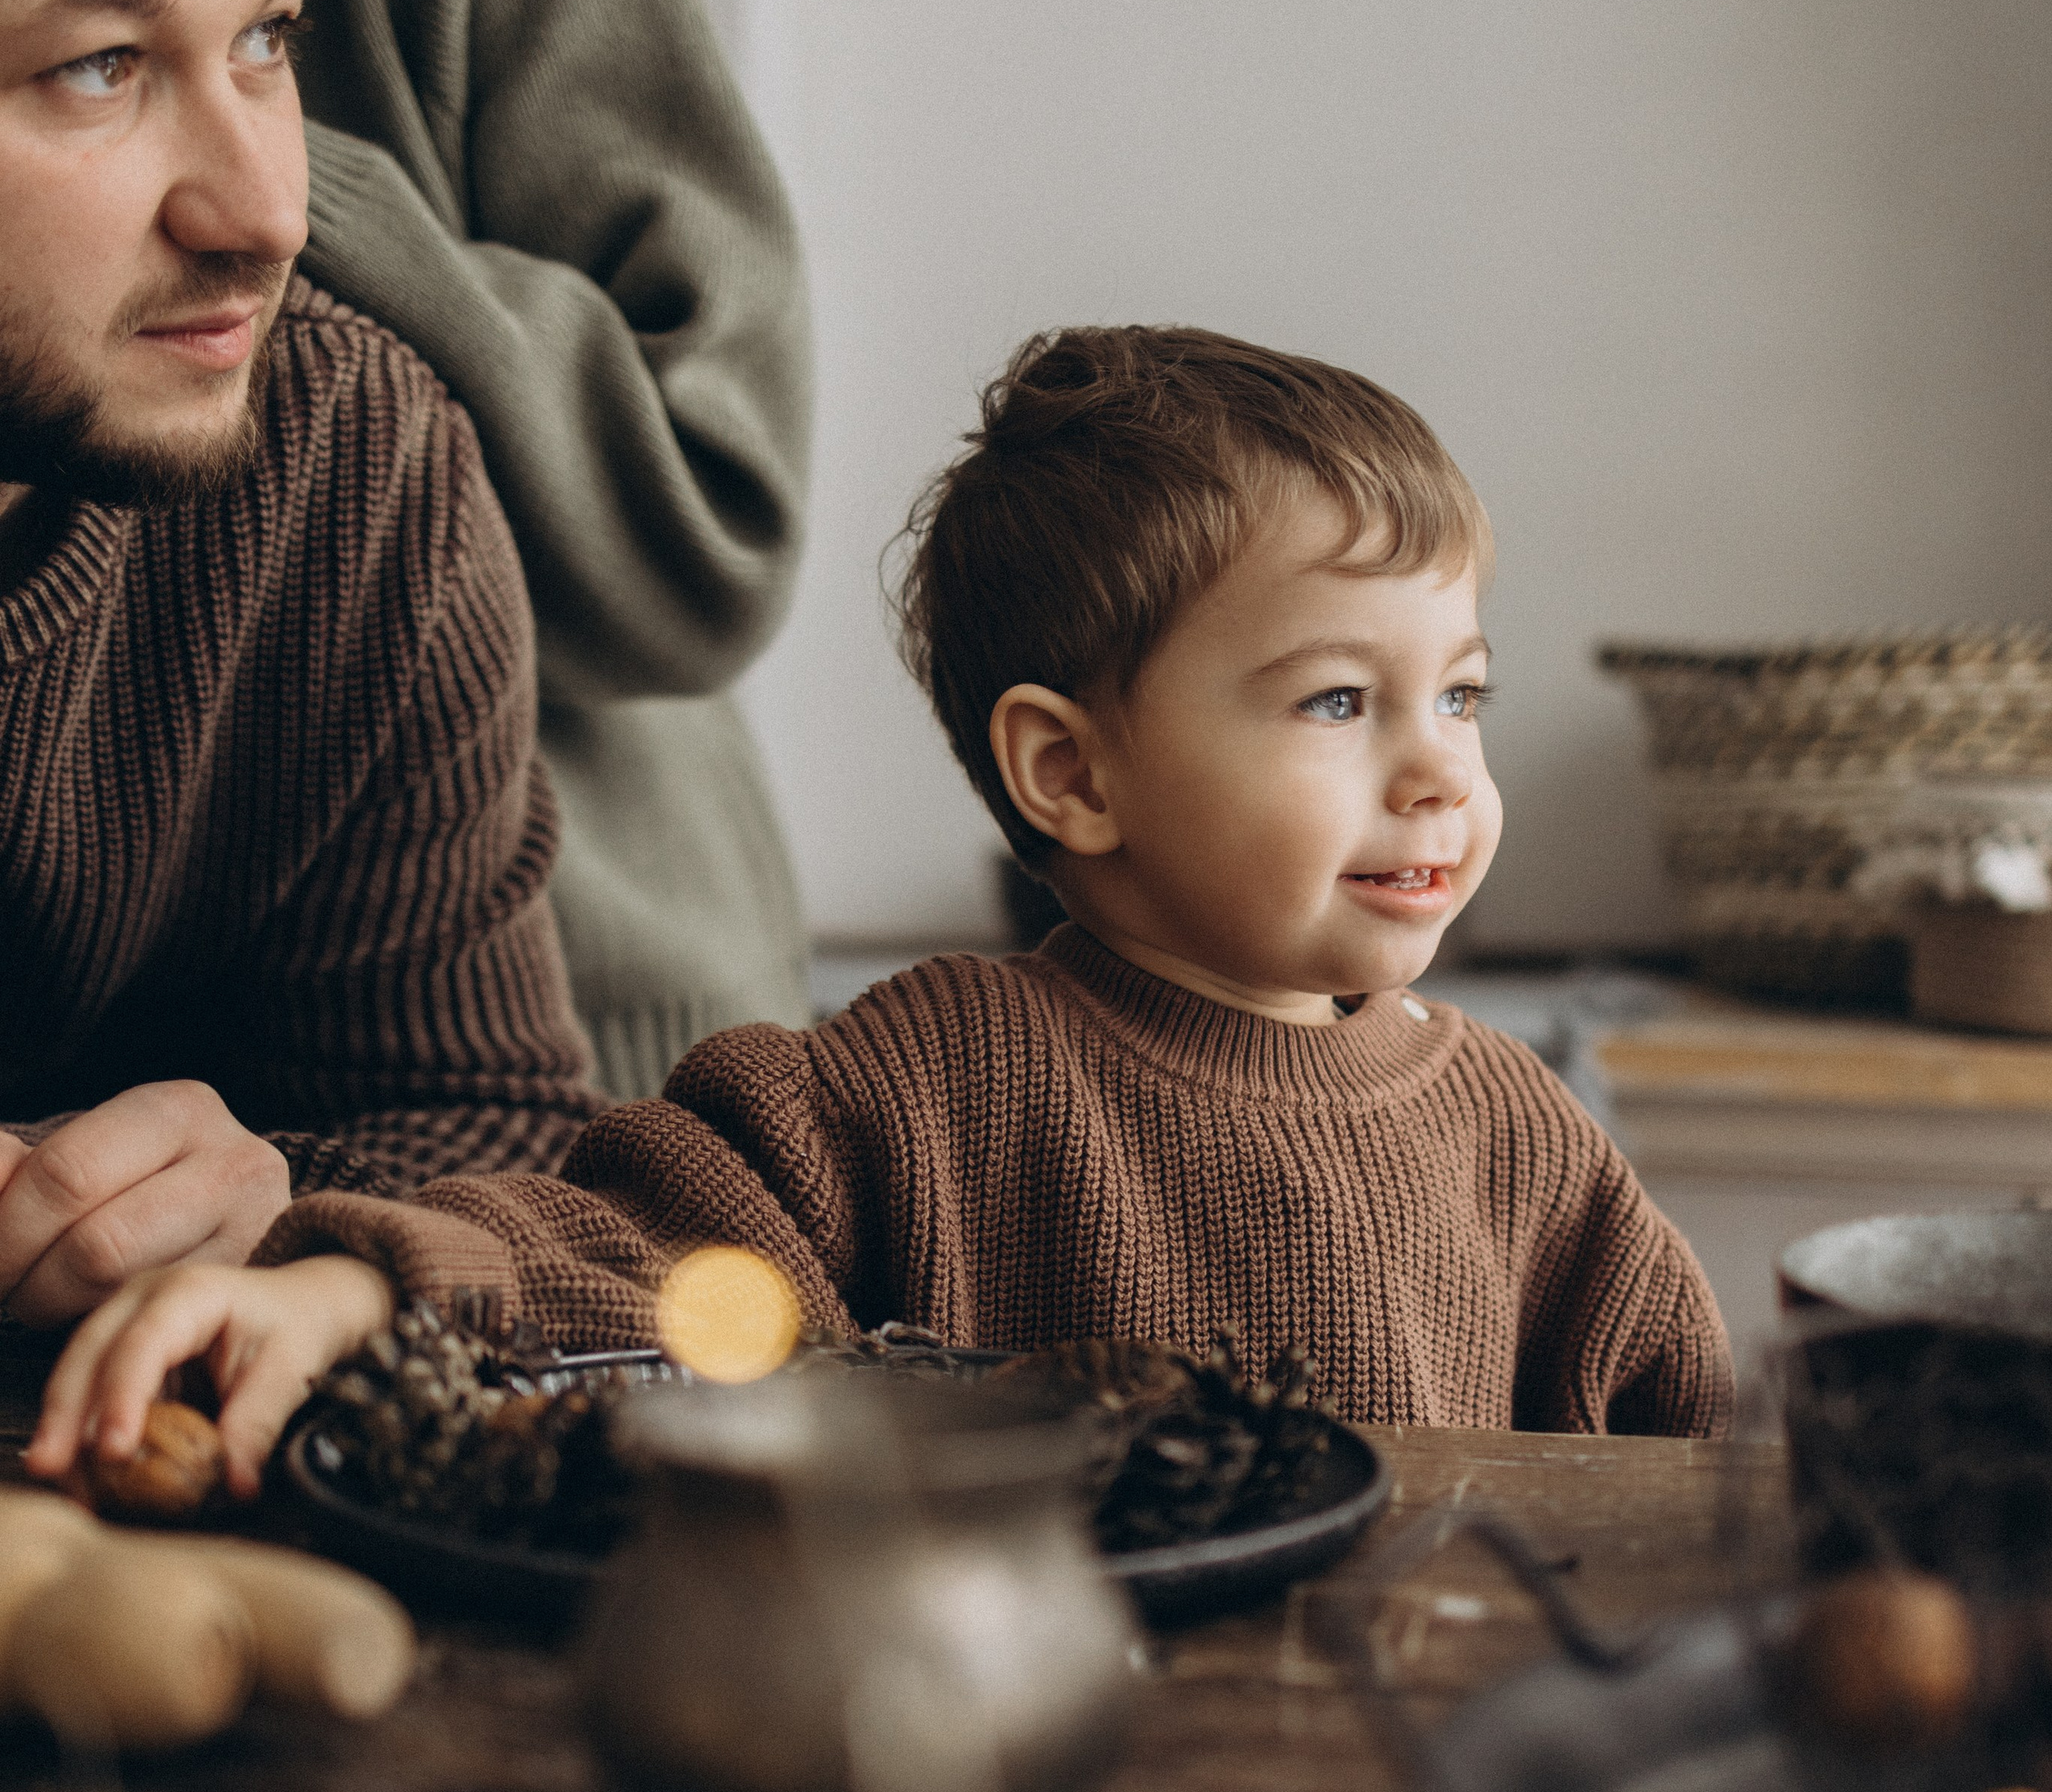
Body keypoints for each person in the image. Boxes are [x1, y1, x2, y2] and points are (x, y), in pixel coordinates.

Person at [33, 326, 1734, 1488]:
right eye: (1336, 704)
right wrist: (350, 1289)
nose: (1437, 771)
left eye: (1462, 695)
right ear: (1069, 774)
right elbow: (618, 1251)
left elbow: (1701, 1492)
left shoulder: (1525, 1144)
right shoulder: (917, 1089)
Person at [52, 0, 814, 1097]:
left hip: (589, 1045)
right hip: (172, 1082)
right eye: (97, 60)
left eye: (267, 31)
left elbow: (714, 524)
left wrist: (303, 192)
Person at [0, 0, 598, 1330]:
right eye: (98, 66)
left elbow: (492, 1130)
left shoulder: (352, 467)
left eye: (266, 41)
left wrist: (289, 1213)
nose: (263, 208)